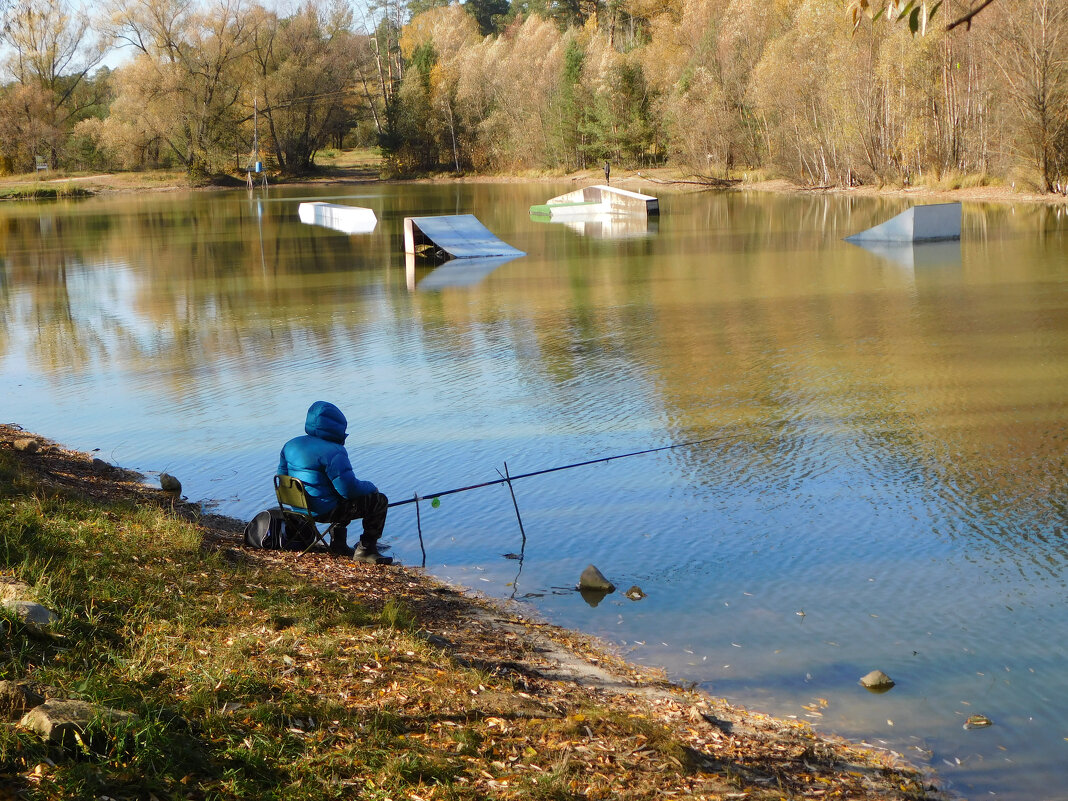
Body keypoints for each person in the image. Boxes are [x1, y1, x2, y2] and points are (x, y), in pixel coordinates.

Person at [277, 400, 392, 564]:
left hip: (299, 507)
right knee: (380, 501)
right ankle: (366, 549)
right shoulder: (334, 451)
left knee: (335, 494)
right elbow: (349, 490)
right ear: (337, 427)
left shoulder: (291, 444)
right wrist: (371, 488)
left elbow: (282, 477)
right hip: (324, 511)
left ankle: (338, 544)